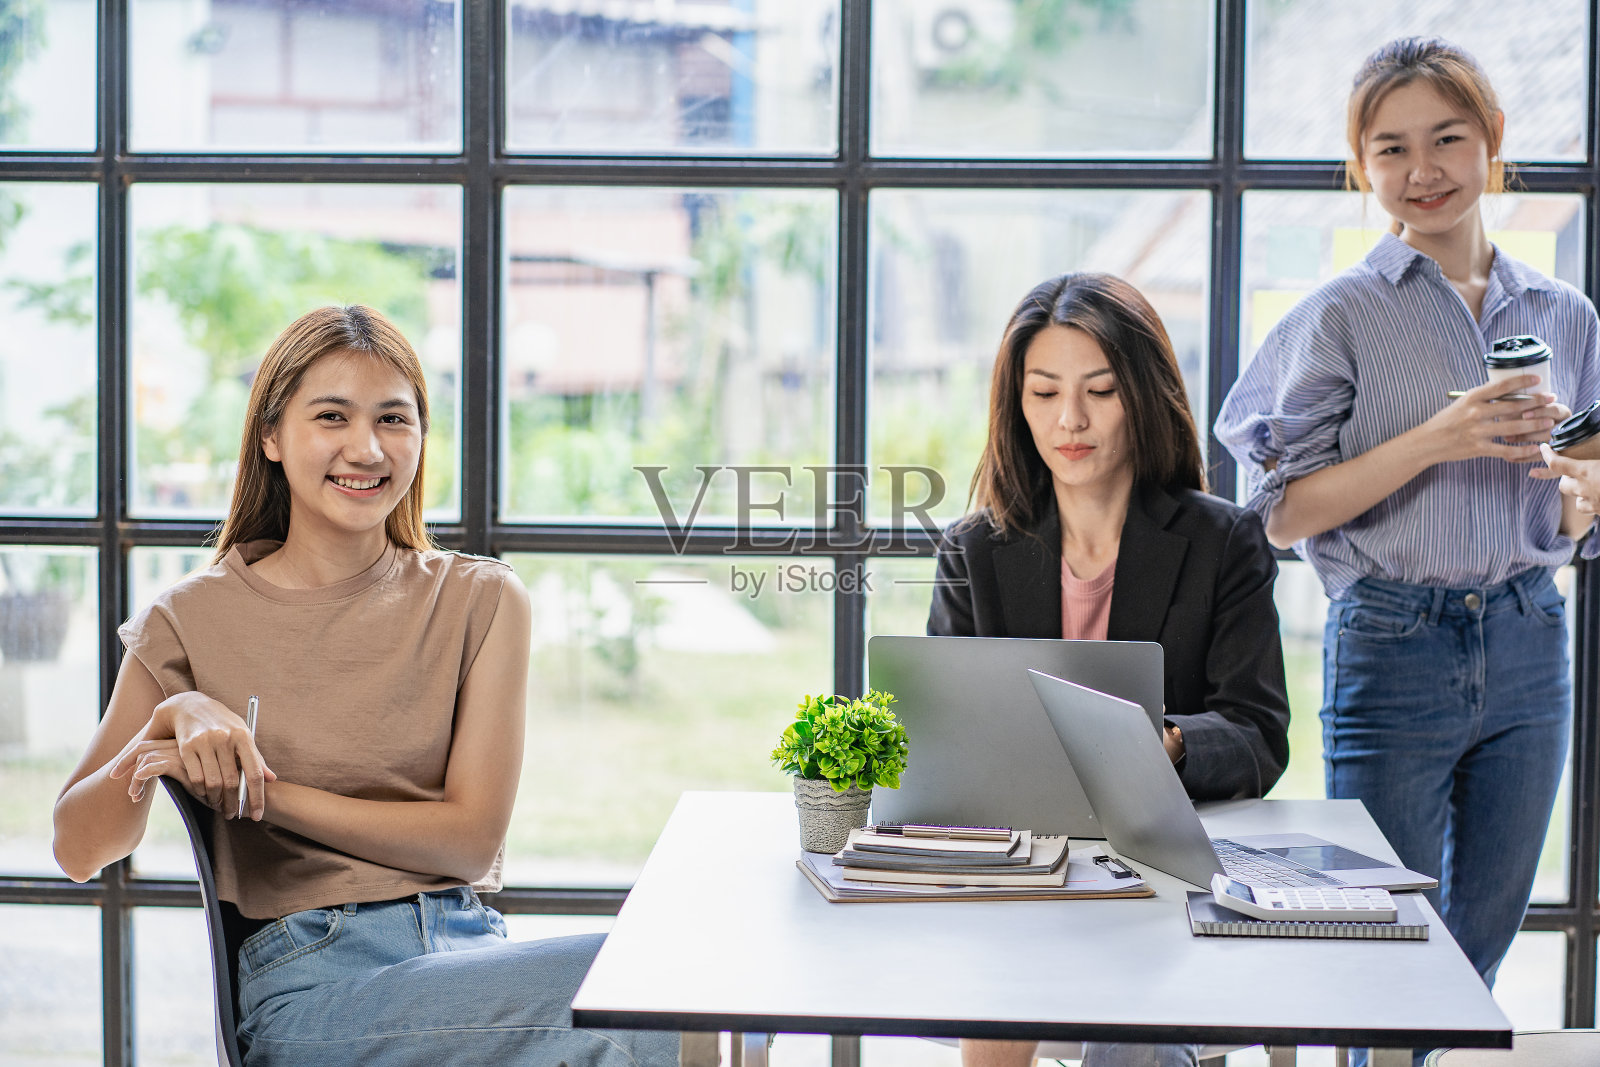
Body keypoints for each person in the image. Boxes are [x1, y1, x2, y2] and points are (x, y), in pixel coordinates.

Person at [51, 306, 678, 1067]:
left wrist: (264, 795)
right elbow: (79, 846)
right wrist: (164, 727)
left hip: (468, 954)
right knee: (652, 992)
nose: (368, 447)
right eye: (332, 417)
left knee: (670, 979)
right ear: (272, 437)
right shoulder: (189, 619)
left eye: (393, 418)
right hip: (313, 985)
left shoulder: (480, 600)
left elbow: (468, 839)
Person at [1216, 34, 1599, 1012]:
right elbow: (1277, 512)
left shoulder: (1566, 314)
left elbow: (1579, 498)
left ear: (1493, 139)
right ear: (1359, 166)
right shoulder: (1338, 314)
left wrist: (1576, 494)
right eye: (1389, 149)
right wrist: (1437, 436)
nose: (1420, 171)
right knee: (1373, 942)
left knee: (1480, 939)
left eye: (1446, 138)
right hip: (1391, 642)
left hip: (1527, 635)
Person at [931, 272, 1291, 1067]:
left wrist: (1162, 745)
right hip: (1013, 868)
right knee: (999, 969)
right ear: (1015, 404)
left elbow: (1260, 734)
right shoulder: (973, 550)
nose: (1070, 419)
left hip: (1161, 869)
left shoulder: (1224, 541)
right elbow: (948, 736)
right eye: (1044, 391)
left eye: (1099, 390)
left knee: (1134, 1046)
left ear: (1144, 394)